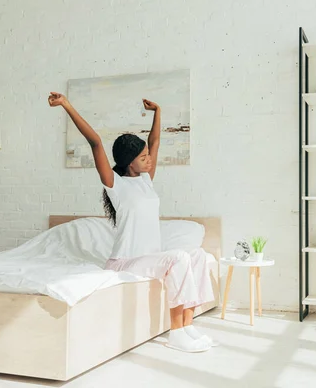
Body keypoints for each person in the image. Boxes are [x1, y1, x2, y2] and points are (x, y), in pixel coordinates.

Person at [48, 92, 215, 353]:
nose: (149, 159)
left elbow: (155, 142)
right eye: (143, 157)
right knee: (180, 258)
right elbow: (95, 143)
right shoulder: (117, 185)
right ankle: (177, 333)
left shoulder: (146, 181)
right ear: (129, 163)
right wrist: (67, 105)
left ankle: (188, 324)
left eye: (148, 155)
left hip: (149, 259)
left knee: (199, 256)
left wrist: (158, 111)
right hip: (125, 262)